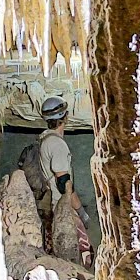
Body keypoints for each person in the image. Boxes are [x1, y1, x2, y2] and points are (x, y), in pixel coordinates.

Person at [39, 97, 92, 268]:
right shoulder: (57, 145)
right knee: (83, 252)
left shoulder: (45, 140)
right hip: (62, 206)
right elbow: (64, 183)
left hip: (52, 205)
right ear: (65, 116)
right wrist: (81, 211)